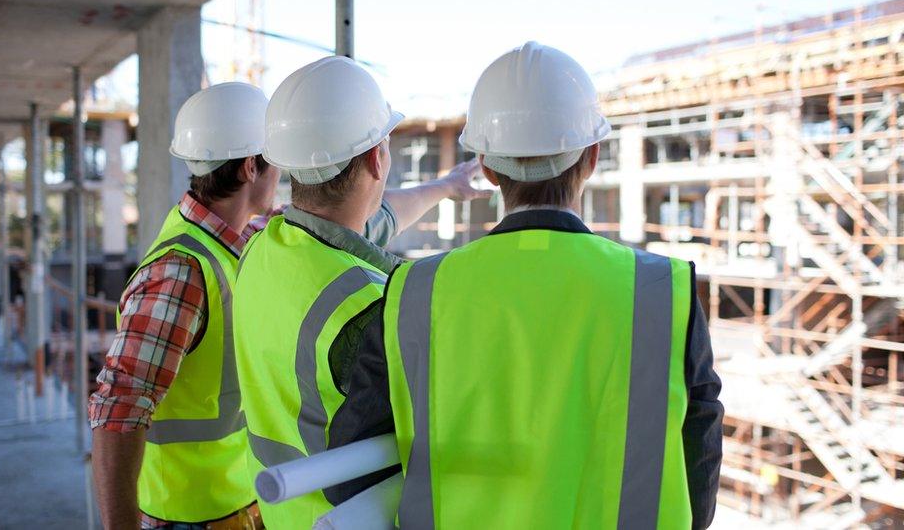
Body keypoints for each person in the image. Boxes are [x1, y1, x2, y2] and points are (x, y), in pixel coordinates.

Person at [327, 42, 724, 529]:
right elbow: (698, 480)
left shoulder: (414, 292)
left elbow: (347, 476)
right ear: (593, 156)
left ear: (488, 169)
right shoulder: (664, 292)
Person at [90, 79, 485, 529]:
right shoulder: (183, 272)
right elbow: (117, 406)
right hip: (188, 515)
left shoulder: (258, 242)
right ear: (248, 167)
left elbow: (367, 221)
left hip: (251, 501)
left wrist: (446, 186)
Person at [232, 56, 490, 529]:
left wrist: (445, 187)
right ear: (377, 158)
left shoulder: (263, 245)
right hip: (342, 518)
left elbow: (376, 218)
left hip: (279, 511)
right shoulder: (372, 305)